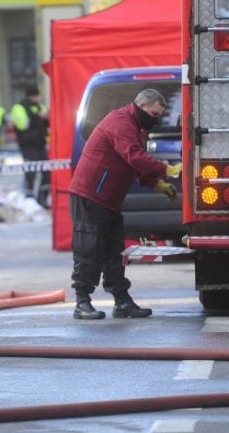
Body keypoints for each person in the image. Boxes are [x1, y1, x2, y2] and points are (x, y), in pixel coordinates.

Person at [68, 88, 182, 320]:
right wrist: (167, 170)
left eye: (159, 115)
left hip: (108, 200)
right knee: (89, 251)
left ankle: (122, 302)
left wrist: (156, 184)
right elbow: (135, 157)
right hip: (91, 196)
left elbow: (134, 165)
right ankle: (82, 303)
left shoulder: (135, 128)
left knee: (114, 253)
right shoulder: (120, 123)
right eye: (153, 114)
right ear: (141, 107)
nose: (156, 119)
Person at [10, 85, 50, 206]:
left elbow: (46, 123)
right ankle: (29, 200)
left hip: (40, 144)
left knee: (47, 173)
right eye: (36, 96)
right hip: (27, 145)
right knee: (30, 173)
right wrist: (37, 117)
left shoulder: (40, 106)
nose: (39, 98)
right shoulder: (19, 107)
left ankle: (42, 199)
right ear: (31, 96)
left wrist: (45, 118)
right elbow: (22, 125)